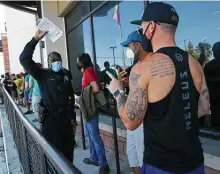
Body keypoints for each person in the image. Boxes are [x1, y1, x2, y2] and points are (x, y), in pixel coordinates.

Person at [109, 2, 209, 174]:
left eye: (141, 29)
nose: (141, 33)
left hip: (161, 165)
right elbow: (204, 108)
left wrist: (118, 92)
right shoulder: (194, 63)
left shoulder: (143, 67)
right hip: (195, 162)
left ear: (151, 27)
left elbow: (130, 122)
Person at [19, 29, 76, 162]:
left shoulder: (66, 75)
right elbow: (24, 59)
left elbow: (71, 98)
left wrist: (72, 118)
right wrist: (35, 40)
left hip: (65, 120)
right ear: (49, 63)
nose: (57, 62)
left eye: (59, 60)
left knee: (68, 155)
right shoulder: (42, 75)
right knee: (55, 157)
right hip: (50, 120)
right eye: (54, 60)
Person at [120, 30, 152, 174]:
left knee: (141, 157)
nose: (129, 49)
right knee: (133, 156)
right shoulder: (135, 65)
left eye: (129, 45)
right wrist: (125, 86)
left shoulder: (149, 65)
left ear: (138, 45)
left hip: (141, 121)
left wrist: (117, 92)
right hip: (133, 121)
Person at [77, 53, 109, 174]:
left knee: (95, 137)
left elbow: (95, 88)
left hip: (91, 108)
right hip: (88, 108)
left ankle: (103, 164)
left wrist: (82, 95)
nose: (77, 62)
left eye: (78, 60)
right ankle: (94, 158)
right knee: (90, 136)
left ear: (82, 61)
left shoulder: (88, 71)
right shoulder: (88, 70)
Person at [204, 41, 220, 127]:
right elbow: (205, 82)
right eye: (213, 51)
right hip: (214, 98)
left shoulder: (209, 65)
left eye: (216, 51)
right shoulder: (209, 66)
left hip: (214, 97)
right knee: (216, 120)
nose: (214, 53)